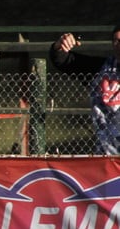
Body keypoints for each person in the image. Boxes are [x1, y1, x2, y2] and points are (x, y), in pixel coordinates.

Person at [49, 26, 120, 154]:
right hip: (108, 155)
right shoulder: (102, 69)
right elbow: (64, 60)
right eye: (116, 41)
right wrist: (60, 46)